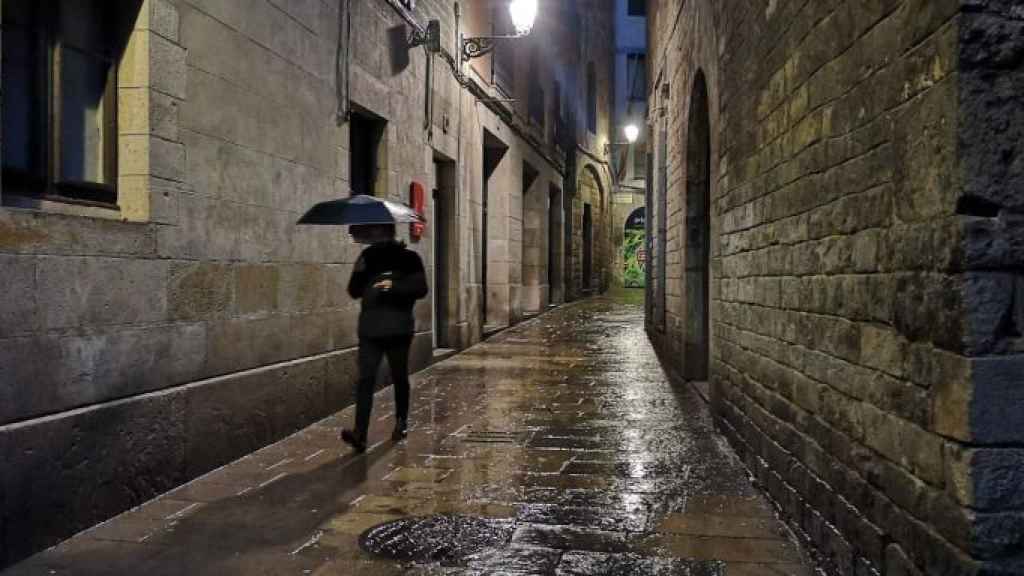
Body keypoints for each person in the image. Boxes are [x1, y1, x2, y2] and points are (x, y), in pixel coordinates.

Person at [341, 223, 428, 453]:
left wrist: (395, 285)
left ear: (389, 234)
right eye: (374, 233)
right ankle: (360, 433)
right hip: (370, 330)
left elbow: (421, 288)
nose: (375, 236)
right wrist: (360, 271)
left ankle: (401, 422)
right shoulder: (367, 257)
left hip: (398, 329)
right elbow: (354, 290)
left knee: (399, 376)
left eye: (379, 232)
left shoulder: (409, 258)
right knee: (365, 379)